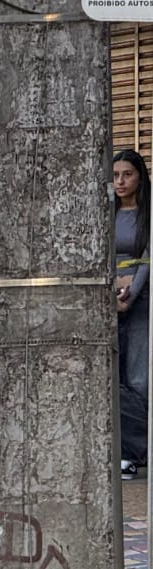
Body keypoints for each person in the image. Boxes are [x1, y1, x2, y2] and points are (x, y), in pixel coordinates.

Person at [115, 151, 151, 481]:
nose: (121, 182)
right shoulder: (106, 213)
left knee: (139, 378)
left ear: (139, 177)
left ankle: (141, 449)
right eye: (115, 175)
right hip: (109, 301)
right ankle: (126, 450)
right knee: (115, 377)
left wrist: (130, 293)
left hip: (139, 305)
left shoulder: (147, 215)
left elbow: (146, 257)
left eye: (127, 174)